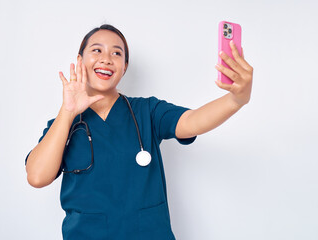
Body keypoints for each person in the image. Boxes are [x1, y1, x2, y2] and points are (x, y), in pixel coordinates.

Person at [25, 24, 253, 240]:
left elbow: (193, 120)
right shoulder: (64, 124)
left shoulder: (147, 111)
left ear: (124, 67)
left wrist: (236, 100)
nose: (106, 58)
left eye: (117, 53)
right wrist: (67, 112)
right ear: (80, 60)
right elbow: (37, 177)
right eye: (97, 50)